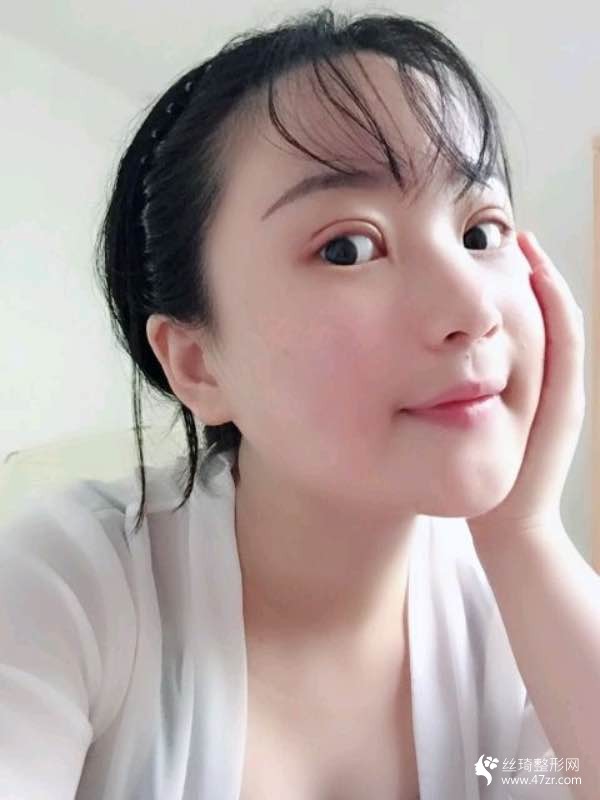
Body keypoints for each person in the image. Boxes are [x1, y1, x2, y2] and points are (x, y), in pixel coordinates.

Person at [0, 6, 592, 799]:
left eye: (481, 232)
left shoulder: (523, 613)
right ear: (197, 363)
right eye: (348, 247)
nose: (473, 307)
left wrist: (525, 536)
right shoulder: (73, 580)